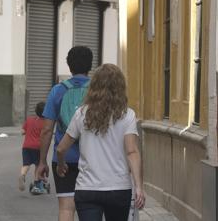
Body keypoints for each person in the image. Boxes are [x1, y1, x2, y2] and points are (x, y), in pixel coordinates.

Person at [56, 64, 145, 221]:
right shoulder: (128, 115)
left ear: (94, 85)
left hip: (88, 189)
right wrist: (139, 187)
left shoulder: (82, 113)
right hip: (119, 189)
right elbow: (132, 152)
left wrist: (61, 164)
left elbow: (61, 148)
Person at [36, 46, 93, 220]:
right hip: (92, 159)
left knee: (66, 209)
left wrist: (41, 162)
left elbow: (46, 130)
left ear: (69, 66)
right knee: (90, 209)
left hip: (63, 159)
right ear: (90, 65)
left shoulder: (58, 91)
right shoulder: (97, 92)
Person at [19, 101, 46, 194]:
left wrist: (28, 131)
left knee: (26, 164)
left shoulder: (29, 120)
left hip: (26, 146)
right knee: (38, 165)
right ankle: (36, 184)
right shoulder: (45, 123)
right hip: (38, 148)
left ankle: (22, 175)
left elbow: (22, 131)